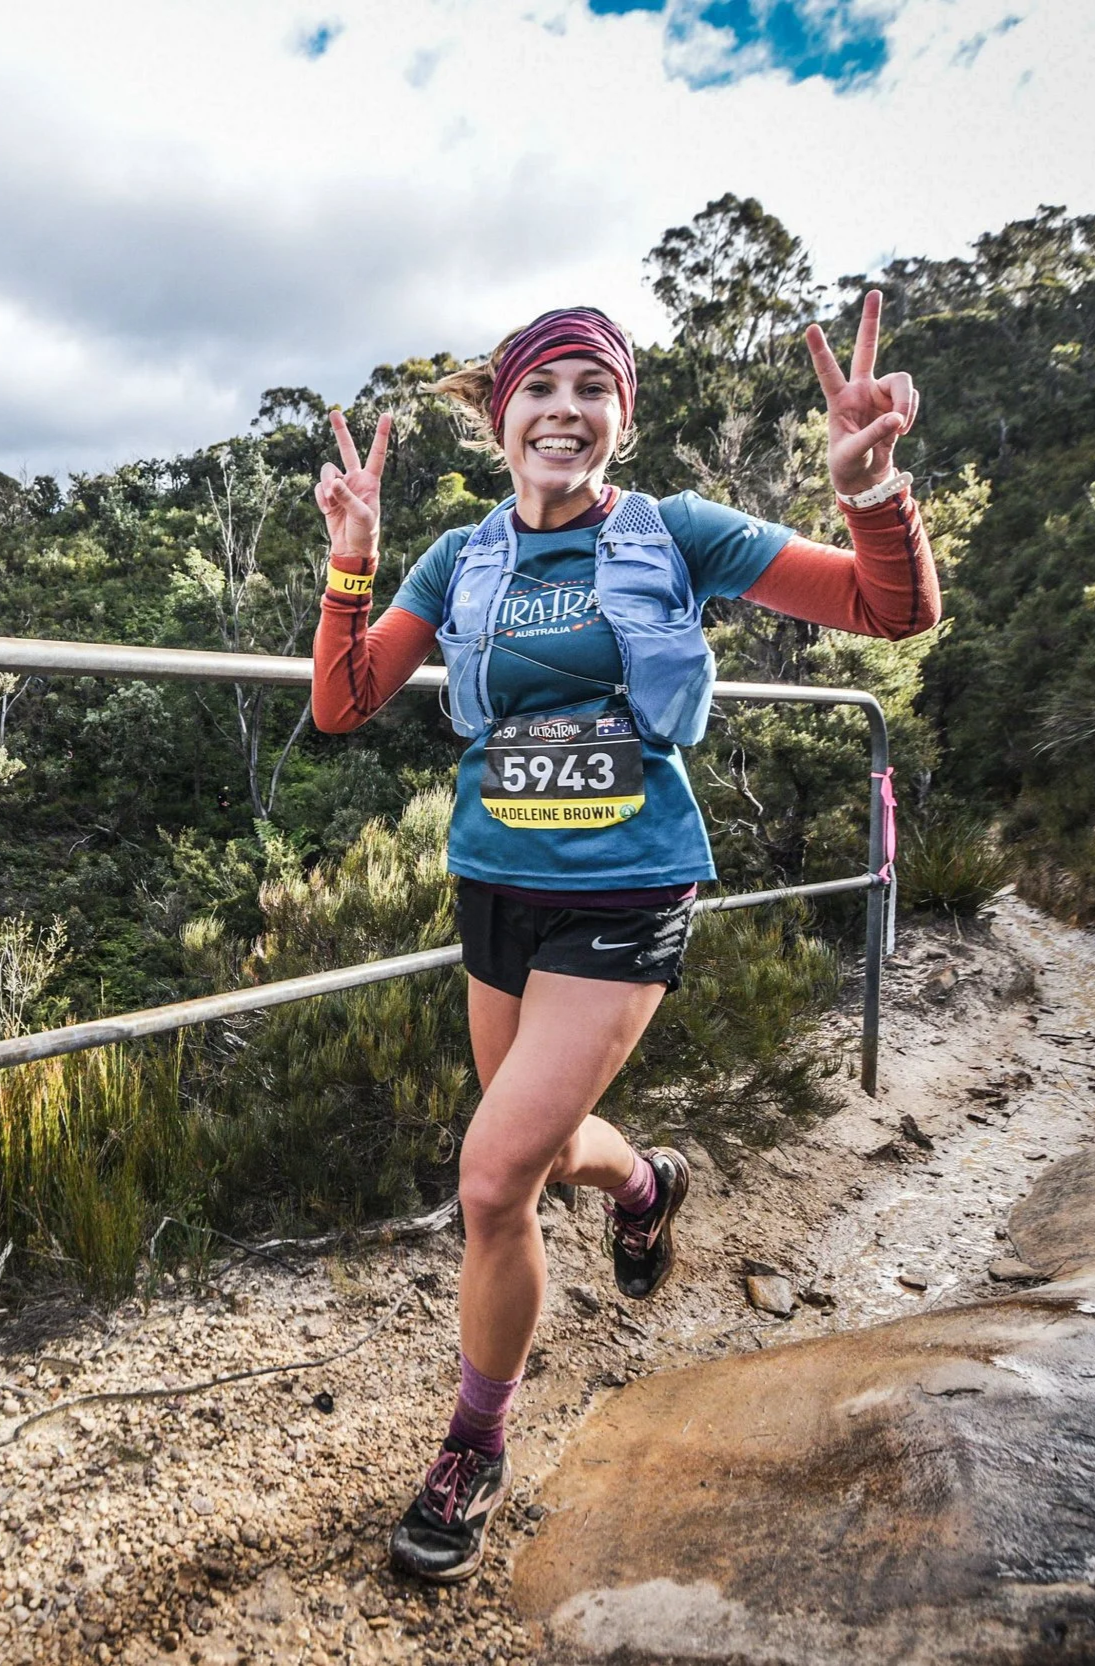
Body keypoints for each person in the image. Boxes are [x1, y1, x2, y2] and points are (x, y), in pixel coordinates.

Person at [311, 294, 940, 1583]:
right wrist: (355, 559)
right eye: (542, 389)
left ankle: (475, 1444)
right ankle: (647, 1186)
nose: (566, 409)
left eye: (593, 390)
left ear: (619, 418)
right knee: (529, 1167)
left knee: (490, 1183)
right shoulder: (459, 560)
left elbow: (891, 613)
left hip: (627, 894)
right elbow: (341, 703)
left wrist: (869, 490)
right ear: (503, 421)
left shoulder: (676, 534)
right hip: (495, 885)